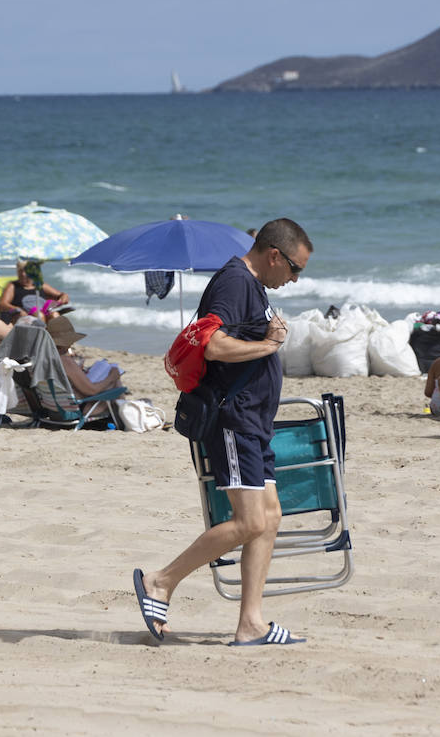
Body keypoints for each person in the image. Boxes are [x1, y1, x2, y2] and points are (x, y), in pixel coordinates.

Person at [132, 218, 311, 647]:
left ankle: (251, 623)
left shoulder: (253, 287)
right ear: (274, 255)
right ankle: (160, 581)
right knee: (250, 520)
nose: (295, 278)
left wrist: (270, 336)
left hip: (253, 422)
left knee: (269, 519)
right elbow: (211, 344)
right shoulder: (234, 282)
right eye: (295, 268)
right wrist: (268, 346)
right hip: (235, 420)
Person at [47, 314, 123, 415]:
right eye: (70, 340)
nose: (72, 344)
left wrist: (77, 372)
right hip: (74, 410)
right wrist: (112, 377)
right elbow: (92, 391)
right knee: (114, 384)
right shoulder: (64, 361)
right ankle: (123, 413)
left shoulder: (43, 359)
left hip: (51, 409)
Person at [0, 260, 69, 320]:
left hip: (42, 313)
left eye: (26, 270)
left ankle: (55, 335)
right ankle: (41, 335)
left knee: (55, 315)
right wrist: (18, 309)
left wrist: (63, 298)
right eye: (20, 270)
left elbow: (62, 295)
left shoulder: (40, 285)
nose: (23, 274)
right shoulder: (13, 286)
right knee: (39, 315)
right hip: (23, 317)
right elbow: (2, 304)